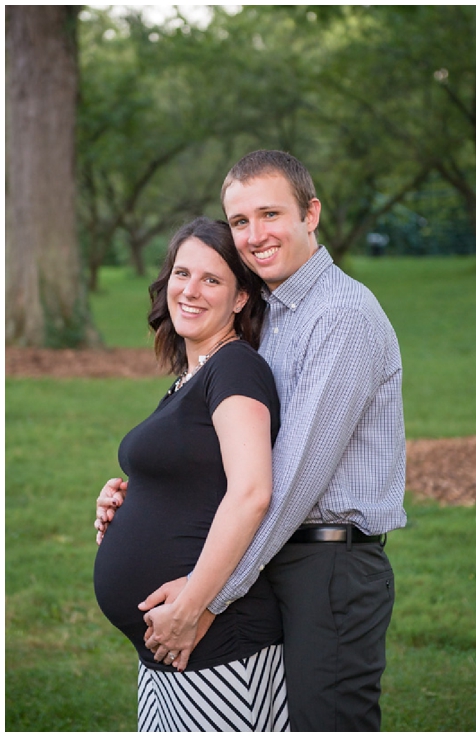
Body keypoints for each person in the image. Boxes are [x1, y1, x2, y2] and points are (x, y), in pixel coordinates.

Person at [96, 150, 407, 731]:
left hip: (328, 562)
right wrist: (142, 498)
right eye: (240, 221)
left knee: (327, 722)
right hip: (274, 557)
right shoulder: (274, 313)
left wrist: (204, 600)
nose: (255, 235)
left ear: (311, 213)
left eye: (270, 215)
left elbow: (288, 482)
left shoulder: (341, 315)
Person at [93, 217, 288, 731]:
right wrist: (131, 499)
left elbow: (251, 493)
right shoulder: (191, 378)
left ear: (241, 298)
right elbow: (198, 477)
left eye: (212, 280)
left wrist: (191, 606)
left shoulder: (236, 368)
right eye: (183, 273)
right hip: (168, 652)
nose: (191, 291)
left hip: (214, 641)